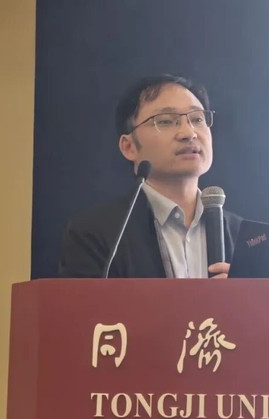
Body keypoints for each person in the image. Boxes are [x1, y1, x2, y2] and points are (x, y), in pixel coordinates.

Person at [59, 74, 242, 278]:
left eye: (197, 119)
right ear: (129, 147)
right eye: (165, 121)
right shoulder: (97, 235)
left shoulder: (243, 236)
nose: (188, 133)